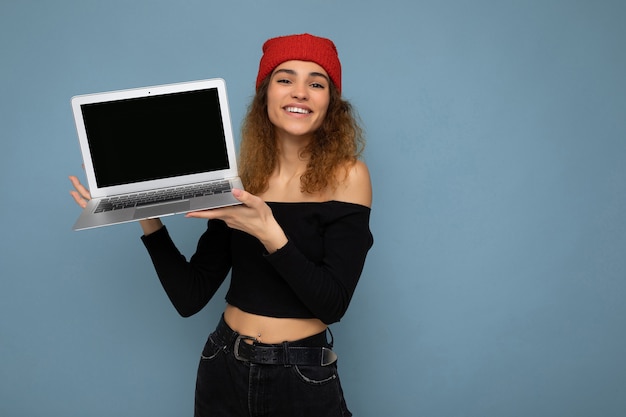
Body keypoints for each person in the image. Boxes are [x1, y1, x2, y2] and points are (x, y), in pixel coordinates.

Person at [69, 33, 373, 417]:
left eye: (316, 83)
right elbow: (190, 296)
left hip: (301, 375)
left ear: (331, 103)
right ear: (265, 96)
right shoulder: (242, 180)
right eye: (285, 79)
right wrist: (142, 209)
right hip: (223, 365)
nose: (300, 92)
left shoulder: (350, 177)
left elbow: (332, 304)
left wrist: (268, 231)